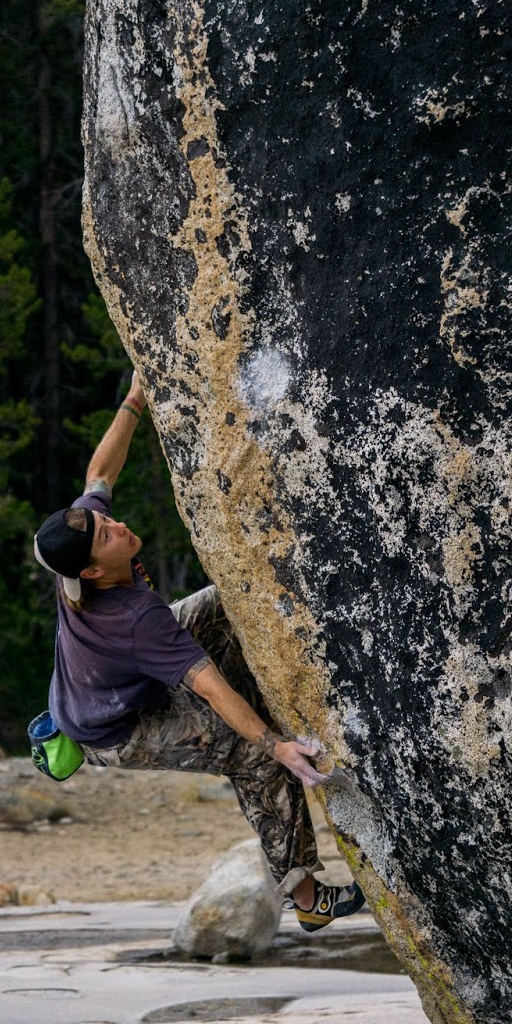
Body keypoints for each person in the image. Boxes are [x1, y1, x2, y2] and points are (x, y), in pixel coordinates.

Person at [33, 371, 365, 932]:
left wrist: (134, 400)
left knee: (233, 597)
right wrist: (275, 742)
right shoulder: (136, 620)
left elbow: (99, 472)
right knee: (255, 757)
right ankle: (308, 898)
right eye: (105, 534)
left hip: (110, 685)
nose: (115, 525)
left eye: (105, 519)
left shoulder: (79, 558)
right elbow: (207, 684)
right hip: (117, 731)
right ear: (90, 571)